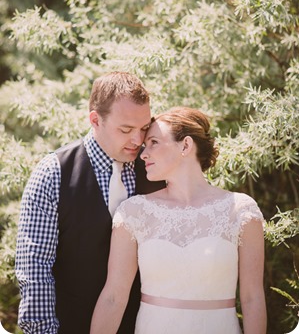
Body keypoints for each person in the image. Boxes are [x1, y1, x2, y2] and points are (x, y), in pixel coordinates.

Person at [90, 106, 267, 334]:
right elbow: (113, 297)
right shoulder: (134, 212)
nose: (143, 153)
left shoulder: (241, 211)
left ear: (185, 145)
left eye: (153, 142)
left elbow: (252, 298)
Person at [15, 71, 165, 334]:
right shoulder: (54, 173)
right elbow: (35, 268)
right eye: (126, 129)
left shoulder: (157, 169)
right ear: (95, 120)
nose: (137, 140)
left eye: (143, 129)